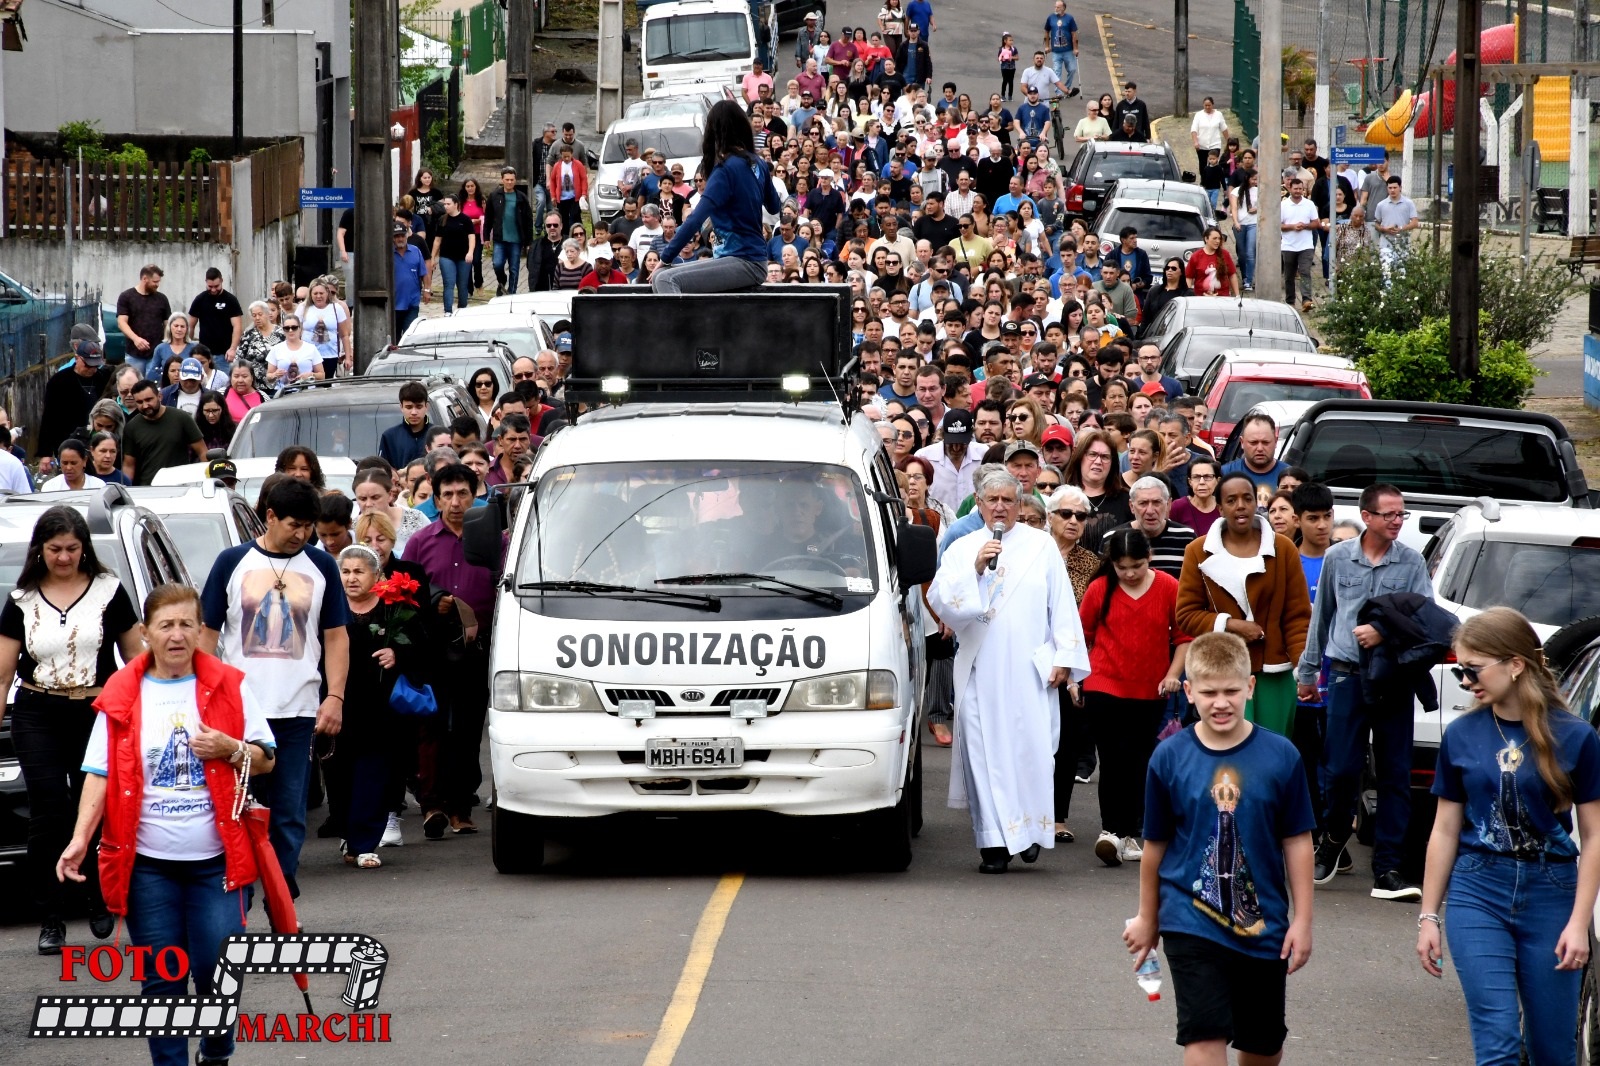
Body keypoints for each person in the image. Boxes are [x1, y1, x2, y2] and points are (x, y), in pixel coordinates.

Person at [58, 582, 274, 1066]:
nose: (177, 636)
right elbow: (99, 772)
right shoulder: (122, 692)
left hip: (218, 861)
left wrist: (231, 749)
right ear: (145, 633)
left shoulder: (230, 684)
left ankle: (215, 1052)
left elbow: (266, 759)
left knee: (217, 969)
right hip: (147, 866)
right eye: (166, 626)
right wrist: (78, 840)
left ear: (200, 630)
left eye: (186, 625)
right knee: (162, 978)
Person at [1122, 631, 1316, 1066]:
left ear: (1250, 687)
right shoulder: (1168, 758)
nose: (1221, 702)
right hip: (1190, 921)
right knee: (1204, 1036)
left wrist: (1302, 921)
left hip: (1262, 926)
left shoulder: (1281, 756)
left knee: (1262, 1044)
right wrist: (1148, 916)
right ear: (1189, 692)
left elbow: (1297, 841)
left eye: (1231, 690)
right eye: (1208, 692)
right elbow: (1155, 846)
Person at [1418, 607, 1600, 1066]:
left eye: (1472, 668)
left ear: (1516, 664)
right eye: (1459, 669)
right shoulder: (1461, 734)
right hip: (1478, 889)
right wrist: (1428, 916)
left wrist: (1580, 923)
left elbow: (1595, 836)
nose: (1464, 680)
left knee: (1552, 1050)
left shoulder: (1576, 738)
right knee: (1497, 1041)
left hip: (1552, 893)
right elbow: (1444, 829)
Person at [927, 467, 1089, 874]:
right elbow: (943, 603)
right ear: (978, 504)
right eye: (991, 500)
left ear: (1021, 504)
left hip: (1028, 669)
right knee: (984, 757)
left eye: (1008, 500)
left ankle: (1031, 831)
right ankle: (994, 843)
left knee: (1030, 752)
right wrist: (975, 571)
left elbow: (1062, 605)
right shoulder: (963, 548)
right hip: (980, 669)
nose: (1000, 507)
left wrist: (1064, 658)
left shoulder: (1041, 546)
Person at [0, 506, 141, 953]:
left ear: (85, 549)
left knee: (93, 805)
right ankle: (52, 914)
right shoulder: (21, 599)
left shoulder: (108, 590)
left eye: (72, 549)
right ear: (40, 550)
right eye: (55, 549)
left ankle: (99, 895)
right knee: (47, 811)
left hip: (94, 710)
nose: (63, 558)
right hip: (37, 711)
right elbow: (4, 674)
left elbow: (137, 660)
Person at [201, 477, 349, 899]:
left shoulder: (321, 567)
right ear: (269, 516)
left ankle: (280, 891)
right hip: (239, 714)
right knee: (238, 807)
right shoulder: (232, 562)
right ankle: (241, 889)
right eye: (293, 525)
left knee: (289, 813)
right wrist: (205, 699)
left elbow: (336, 635)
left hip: (297, 712)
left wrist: (334, 696)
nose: (301, 535)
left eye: (308, 527)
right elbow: (208, 635)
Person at [1297, 483, 1434, 901]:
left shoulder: (1411, 563)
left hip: (1392, 677)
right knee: (1340, 769)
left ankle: (1388, 866)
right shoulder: (1339, 557)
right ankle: (1334, 837)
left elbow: (1427, 619)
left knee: (1394, 774)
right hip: (1345, 675)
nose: (1397, 521)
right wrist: (1307, 671)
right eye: (1389, 514)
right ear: (1367, 516)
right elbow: (1323, 617)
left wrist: (1383, 630)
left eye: (1401, 514)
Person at [1079, 527, 1191, 867]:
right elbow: (1081, 636)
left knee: (1140, 761)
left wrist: (1173, 674)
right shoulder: (1100, 588)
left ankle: (1125, 833)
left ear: (1150, 559)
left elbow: (1183, 636)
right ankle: (1110, 832)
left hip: (1150, 689)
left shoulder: (1169, 587)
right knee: (1113, 759)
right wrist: (1075, 679)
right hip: (1104, 684)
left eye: (1136, 566)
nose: (1129, 574)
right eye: (1122, 566)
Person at [1176, 472, 1312, 739]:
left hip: (1275, 670)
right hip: (1222, 671)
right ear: (1220, 507)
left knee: (1273, 748)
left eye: (1247, 498)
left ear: (1256, 503)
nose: (1240, 506)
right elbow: (1186, 614)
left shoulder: (1282, 549)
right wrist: (1230, 625)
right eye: (1231, 500)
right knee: (1227, 749)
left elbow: (1297, 616)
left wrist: (1302, 669)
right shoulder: (1198, 550)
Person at [403, 463, 496, 837]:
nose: (456, 502)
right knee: (431, 726)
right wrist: (433, 601)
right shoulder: (421, 541)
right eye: (447, 495)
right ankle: (433, 805)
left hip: (478, 649)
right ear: (436, 498)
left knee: (469, 729)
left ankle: (461, 806)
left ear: (476, 495)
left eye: (463, 494)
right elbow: (404, 594)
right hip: (433, 649)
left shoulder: (496, 542)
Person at [329, 545, 427, 869]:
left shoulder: (394, 609)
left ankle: (365, 843)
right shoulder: (330, 609)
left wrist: (398, 656)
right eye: (346, 572)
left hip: (380, 707)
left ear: (376, 575)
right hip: (338, 702)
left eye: (359, 572)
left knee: (374, 773)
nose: (351, 578)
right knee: (340, 772)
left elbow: (421, 646)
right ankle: (347, 832)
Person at [652, 102, 784, 293]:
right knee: (659, 276)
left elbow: (695, 219)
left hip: (745, 262)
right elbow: (773, 207)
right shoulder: (759, 164)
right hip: (747, 259)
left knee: (665, 279)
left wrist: (666, 257)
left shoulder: (725, 170)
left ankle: (682, 324)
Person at [38, 339, 113, 462]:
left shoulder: (104, 378)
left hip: (98, 440)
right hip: (67, 441)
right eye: (88, 365)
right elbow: (49, 417)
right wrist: (45, 452)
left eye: (95, 365)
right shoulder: (59, 381)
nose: (92, 369)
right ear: (77, 358)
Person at [122, 380, 206, 486]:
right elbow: (129, 465)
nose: (145, 405)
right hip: (147, 490)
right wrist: (126, 489)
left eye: (149, 400)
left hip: (181, 487)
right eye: (139, 402)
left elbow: (202, 452)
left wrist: (208, 482)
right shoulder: (131, 427)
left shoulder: (182, 418)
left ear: (160, 397)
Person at [352, 466, 430, 555]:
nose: (369, 504)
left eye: (375, 497)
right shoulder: (353, 528)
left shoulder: (416, 519)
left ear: (390, 495)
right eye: (363, 499)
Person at [115, 264, 171, 378]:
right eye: (155, 282)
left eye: (158, 282)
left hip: (156, 354)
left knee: (154, 388)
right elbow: (121, 323)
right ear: (145, 279)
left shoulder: (162, 299)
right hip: (133, 354)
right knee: (134, 387)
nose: (157, 285)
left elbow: (168, 325)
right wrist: (136, 339)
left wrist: (166, 344)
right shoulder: (126, 297)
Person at [187, 268, 243, 372]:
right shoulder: (200, 299)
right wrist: (187, 346)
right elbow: (190, 326)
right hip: (204, 355)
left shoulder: (231, 300)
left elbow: (237, 326)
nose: (213, 289)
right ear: (206, 282)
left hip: (225, 355)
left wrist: (233, 349)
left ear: (222, 281)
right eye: (210, 286)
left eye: (216, 286)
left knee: (224, 385)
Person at [431, 194, 478, 314]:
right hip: (447, 256)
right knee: (448, 283)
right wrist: (432, 257)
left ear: (456, 205)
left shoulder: (465, 220)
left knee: (462, 285)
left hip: (463, 256)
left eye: (448, 204)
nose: (446, 206)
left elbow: (471, 237)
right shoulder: (443, 219)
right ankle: (448, 311)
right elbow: (437, 240)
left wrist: (470, 252)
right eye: (445, 204)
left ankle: (462, 309)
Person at [1220, 412, 1288, 491]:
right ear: (1242, 442)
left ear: (1275, 441)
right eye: (1253, 442)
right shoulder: (1225, 474)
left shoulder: (1290, 478)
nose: (1260, 448)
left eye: (1265, 442)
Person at [379, 381, 434, 468]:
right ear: (401, 407)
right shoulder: (390, 437)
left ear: (426, 406)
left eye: (419, 407)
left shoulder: (437, 434)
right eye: (409, 407)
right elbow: (383, 470)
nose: (414, 412)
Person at [392, 223, 429, 337]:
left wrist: (427, 290)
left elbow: (423, 273)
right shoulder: (387, 254)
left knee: (409, 335)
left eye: (402, 235)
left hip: (412, 302)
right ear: (393, 238)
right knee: (395, 337)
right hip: (394, 304)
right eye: (397, 236)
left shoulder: (416, 251)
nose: (400, 239)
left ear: (407, 235)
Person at [39, 439, 105, 492]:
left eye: (73, 463)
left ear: (84, 461)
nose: (68, 467)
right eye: (65, 463)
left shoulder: (98, 486)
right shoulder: (50, 487)